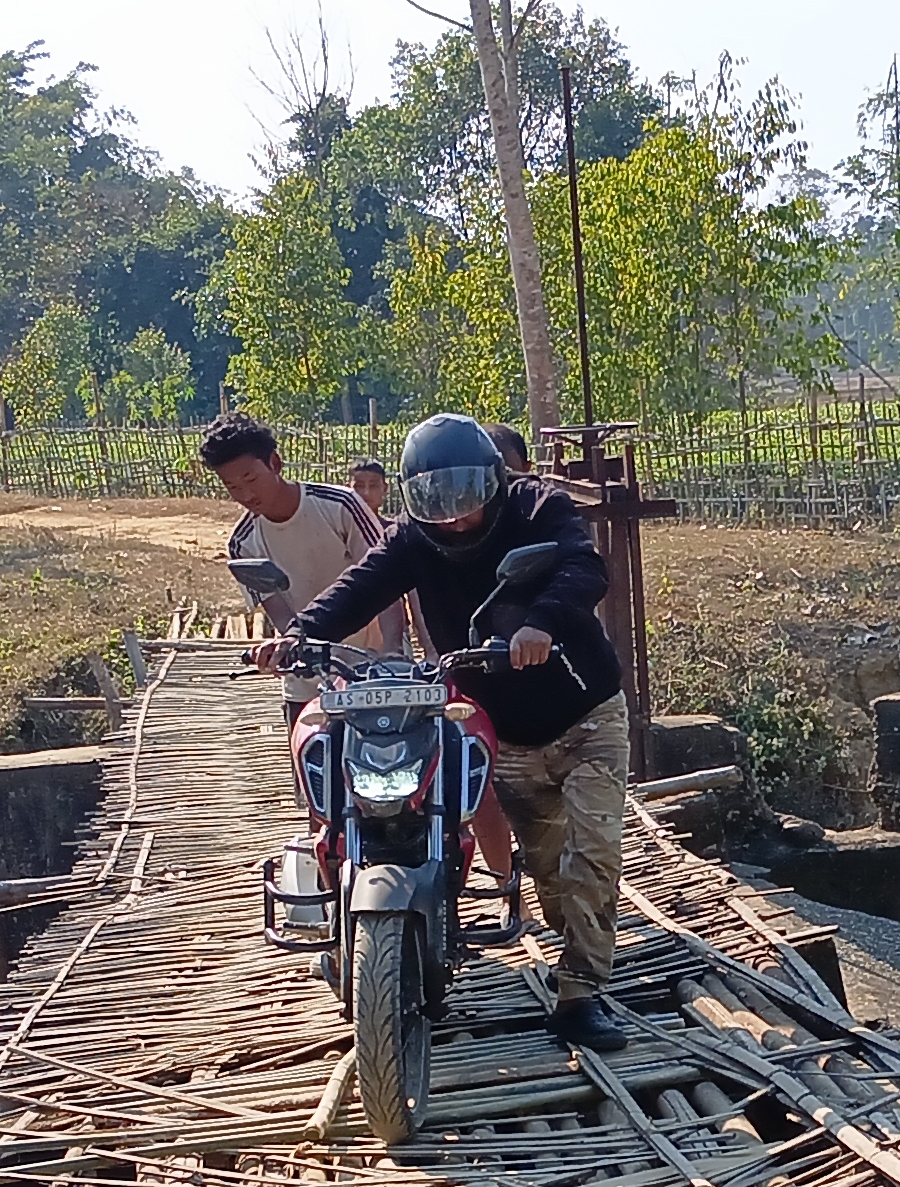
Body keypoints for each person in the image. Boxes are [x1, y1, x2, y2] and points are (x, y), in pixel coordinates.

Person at [265, 412, 632, 1050]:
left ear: (494, 478)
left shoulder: (537, 505)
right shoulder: (416, 538)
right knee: (548, 865)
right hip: (504, 730)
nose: (454, 515)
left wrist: (541, 621)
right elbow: (361, 584)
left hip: (585, 715)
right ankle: (562, 947)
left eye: (467, 495)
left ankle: (580, 996)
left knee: (591, 852)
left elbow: (584, 568)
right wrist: (302, 633)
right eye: (437, 500)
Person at [198, 414, 400, 691]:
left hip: (372, 672)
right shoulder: (242, 543)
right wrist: (289, 650)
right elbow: (281, 615)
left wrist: (392, 652)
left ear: (275, 463)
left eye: (251, 479)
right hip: (309, 679)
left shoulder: (341, 505)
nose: (245, 495)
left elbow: (388, 579)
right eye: (233, 487)